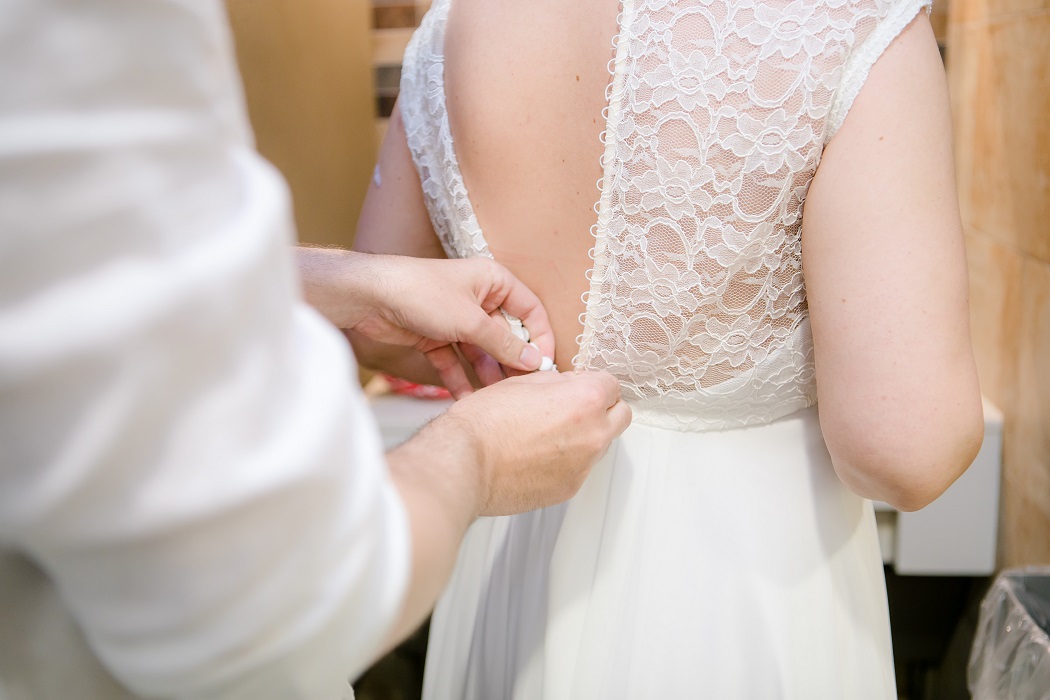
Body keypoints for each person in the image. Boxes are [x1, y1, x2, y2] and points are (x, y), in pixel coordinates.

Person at [353, 0, 985, 697]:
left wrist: (527, 366)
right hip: (743, 588)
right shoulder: (853, 19)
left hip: (512, 545)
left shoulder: (453, 20)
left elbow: (380, 321)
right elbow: (905, 451)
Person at [0, 0, 631, 697]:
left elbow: (61, 265)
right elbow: (255, 604)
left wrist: (344, 280)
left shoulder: (449, 31)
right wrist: (475, 456)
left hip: (506, 557)